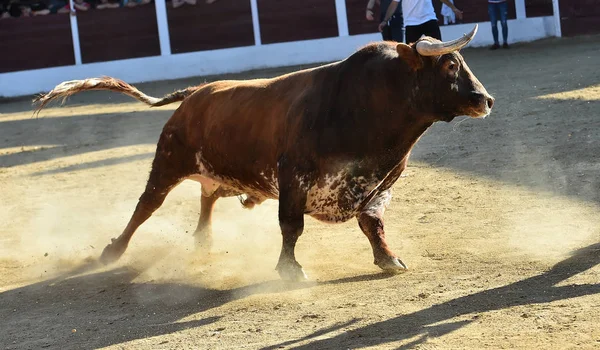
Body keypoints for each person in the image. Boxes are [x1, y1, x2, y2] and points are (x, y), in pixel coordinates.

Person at [379, 0, 463, 44]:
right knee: (412, 54)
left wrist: (454, 8)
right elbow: (394, 4)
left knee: (438, 48)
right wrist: (385, 20)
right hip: (411, 23)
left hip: (429, 19)